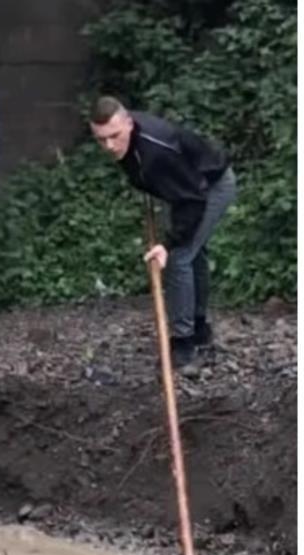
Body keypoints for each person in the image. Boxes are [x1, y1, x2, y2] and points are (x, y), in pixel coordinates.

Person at [89, 97, 236, 366]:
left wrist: (167, 244)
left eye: (114, 136)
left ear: (129, 124)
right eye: (101, 139)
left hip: (209, 187)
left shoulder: (156, 153)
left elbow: (193, 199)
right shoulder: (129, 137)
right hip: (186, 188)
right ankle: (199, 328)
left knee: (179, 257)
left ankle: (183, 343)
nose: (109, 146)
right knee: (194, 253)